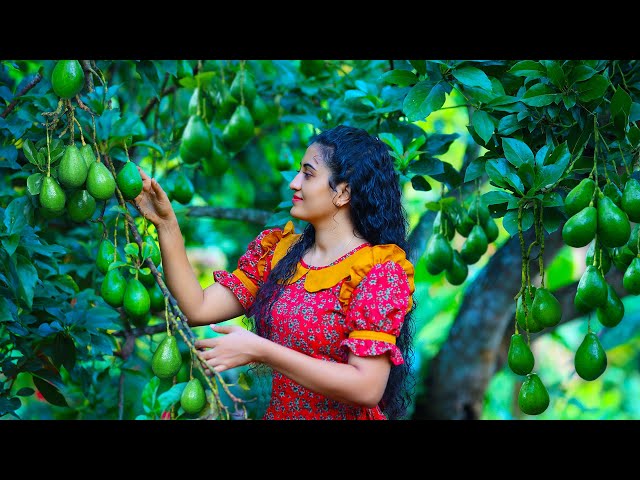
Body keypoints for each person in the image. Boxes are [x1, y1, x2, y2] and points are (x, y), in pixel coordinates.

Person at [134, 124, 417, 420]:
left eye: (307, 174)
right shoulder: (281, 254)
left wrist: (262, 350)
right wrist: (166, 224)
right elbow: (197, 308)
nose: (294, 183)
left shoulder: (378, 271)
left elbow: (367, 388)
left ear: (343, 193)